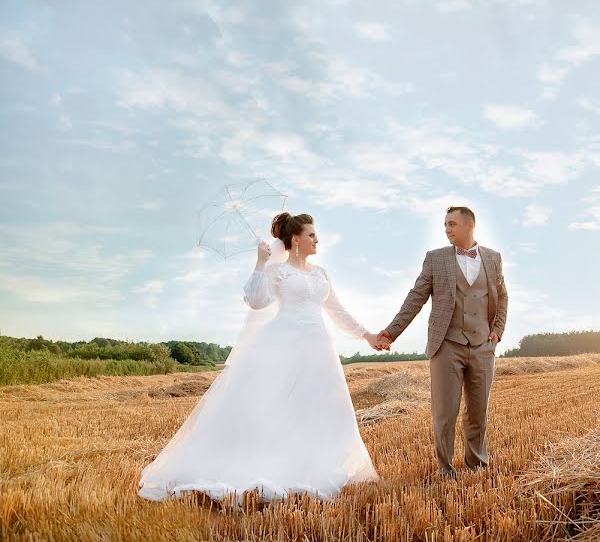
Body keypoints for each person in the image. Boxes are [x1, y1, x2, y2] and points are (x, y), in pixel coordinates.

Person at [137, 212, 390, 504]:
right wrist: (260, 262)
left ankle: (312, 467)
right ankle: (272, 467)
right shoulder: (277, 271)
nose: (316, 239)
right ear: (295, 240)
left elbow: (337, 312)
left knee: (320, 407)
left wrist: (366, 335)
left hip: (318, 349)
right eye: (311, 235)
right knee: (277, 408)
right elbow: (257, 302)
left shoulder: (321, 274)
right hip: (282, 345)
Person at [376, 206, 508, 478]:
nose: (446, 229)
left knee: (478, 412)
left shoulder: (494, 259)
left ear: (470, 225)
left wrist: (497, 331)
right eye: (445, 224)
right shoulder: (436, 259)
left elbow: (502, 296)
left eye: (452, 224)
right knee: (445, 413)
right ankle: (445, 470)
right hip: (446, 344)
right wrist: (392, 331)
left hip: (483, 345)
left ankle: (476, 467)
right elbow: (416, 297)